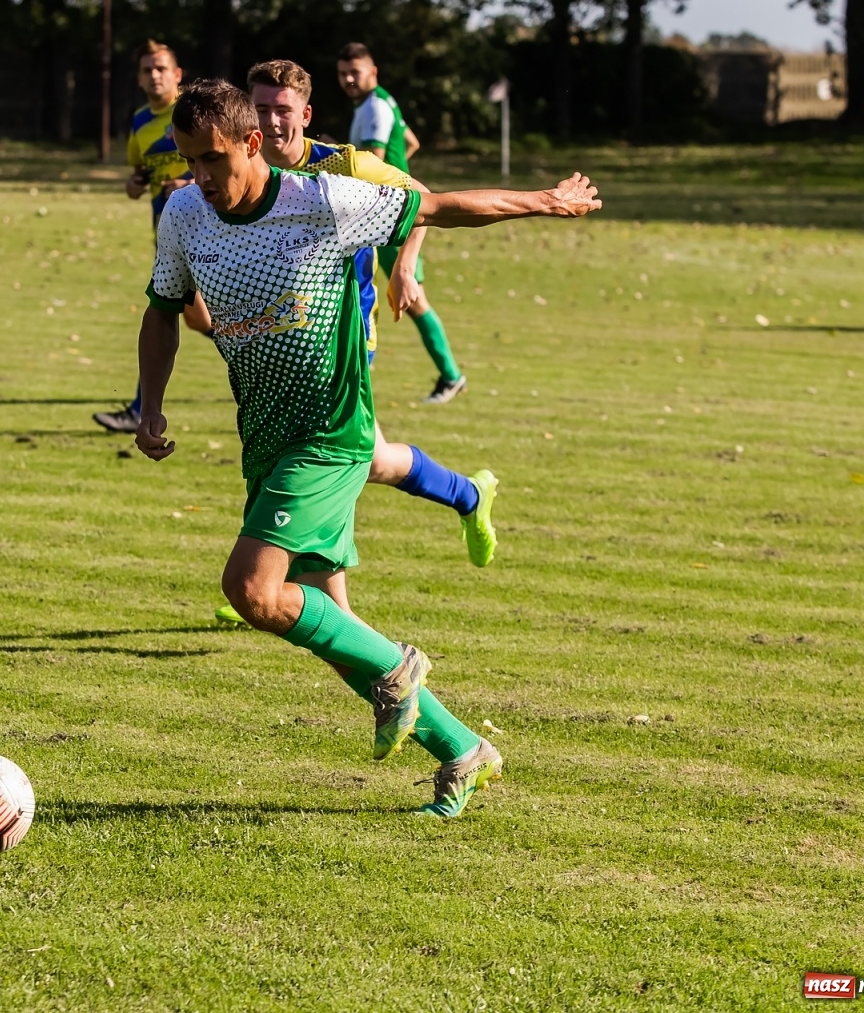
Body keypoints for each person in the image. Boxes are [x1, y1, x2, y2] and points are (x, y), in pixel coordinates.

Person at [135, 78, 600, 817]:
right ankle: (463, 749)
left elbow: (440, 207)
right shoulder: (187, 214)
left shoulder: (321, 201)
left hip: (330, 433)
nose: (200, 176)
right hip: (267, 437)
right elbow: (163, 310)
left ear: (251, 143)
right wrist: (151, 403)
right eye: (189, 160)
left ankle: (400, 668)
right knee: (328, 619)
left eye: (213, 159)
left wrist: (545, 200)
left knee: (251, 591)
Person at [248, 58, 496, 569]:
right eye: (261, 109)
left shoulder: (345, 166)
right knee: (371, 459)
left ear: (306, 115)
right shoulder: (248, 166)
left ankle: (273, 580)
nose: (271, 121)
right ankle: (468, 494)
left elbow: (423, 196)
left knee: (317, 453)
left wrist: (404, 266)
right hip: (283, 334)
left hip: (346, 333)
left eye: (282, 110)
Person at [337, 42, 467, 405]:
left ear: (373, 72)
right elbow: (411, 142)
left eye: (355, 72)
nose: (349, 79)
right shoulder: (380, 102)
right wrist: (400, 172)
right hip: (385, 214)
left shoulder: (375, 108)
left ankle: (451, 375)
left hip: (391, 217)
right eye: (343, 73)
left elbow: (372, 163)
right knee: (375, 293)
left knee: (411, 299)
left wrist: (389, 180)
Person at [93, 41, 212, 433]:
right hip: (169, 238)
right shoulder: (141, 121)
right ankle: (256, 362)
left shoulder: (196, 112)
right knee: (198, 318)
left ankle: (138, 410)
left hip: (210, 233)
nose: (154, 76)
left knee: (166, 312)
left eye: (161, 68)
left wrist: (189, 183)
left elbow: (229, 162)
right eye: (147, 70)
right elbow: (139, 176)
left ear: (178, 75)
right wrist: (134, 184)